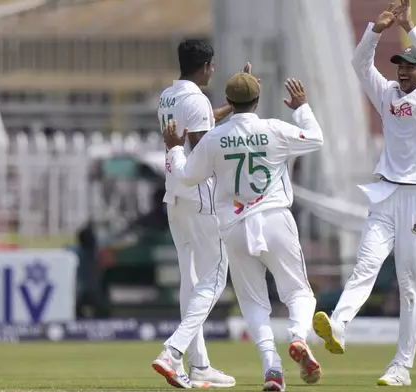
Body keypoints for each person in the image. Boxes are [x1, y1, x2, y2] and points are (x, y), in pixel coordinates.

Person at [312, 0, 416, 387]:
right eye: (399, 66)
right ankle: (338, 325)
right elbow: (359, 65)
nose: (402, 71)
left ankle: (401, 367)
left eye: (409, 66)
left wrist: (411, 27)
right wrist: (376, 28)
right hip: (386, 195)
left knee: (410, 283)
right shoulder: (388, 94)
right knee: (365, 264)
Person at [157, 72, 324, 392]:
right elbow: (315, 138)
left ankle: (272, 369)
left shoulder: (215, 137)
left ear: (229, 103)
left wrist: (175, 148)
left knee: (253, 303)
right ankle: (299, 338)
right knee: (299, 293)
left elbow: (188, 176)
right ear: (257, 100)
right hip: (275, 219)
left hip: (233, 227)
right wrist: (302, 108)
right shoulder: (274, 128)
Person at [153, 38, 241, 388]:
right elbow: (204, 146)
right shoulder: (196, 100)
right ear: (205, 66)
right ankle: (173, 352)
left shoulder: (168, 96)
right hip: (199, 195)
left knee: (191, 281)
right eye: (212, 65)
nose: (214, 70)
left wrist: (232, 107)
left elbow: (195, 125)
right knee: (216, 277)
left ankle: (200, 364)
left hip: (174, 194)